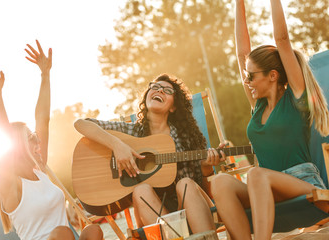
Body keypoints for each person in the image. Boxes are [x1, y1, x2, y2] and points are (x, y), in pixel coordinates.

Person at [209, 0, 329, 239]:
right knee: (220, 182)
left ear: (273, 76)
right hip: (265, 189)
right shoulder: (258, 105)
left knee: (255, 173)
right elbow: (242, 52)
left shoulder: (297, 98)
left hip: (302, 183)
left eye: (252, 76)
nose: (247, 81)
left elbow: (282, 40)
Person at [0, 40, 103, 240]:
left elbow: (43, 119)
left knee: (93, 230)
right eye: (31, 137)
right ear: (17, 147)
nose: (37, 140)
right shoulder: (11, 183)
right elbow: (5, 138)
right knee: (62, 233)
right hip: (59, 237)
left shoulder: (40, 171)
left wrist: (45, 74)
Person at [74, 73, 219, 233]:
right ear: (146, 97)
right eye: (155, 87)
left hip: (189, 207)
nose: (160, 91)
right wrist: (117, 145)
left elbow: (202, 188)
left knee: (185, 183)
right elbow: (81, 124)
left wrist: (205, 168)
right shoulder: (132, 132)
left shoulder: (186, 137)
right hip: (154, 217)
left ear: (173, 106)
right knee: (141, 190)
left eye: (167, 90)